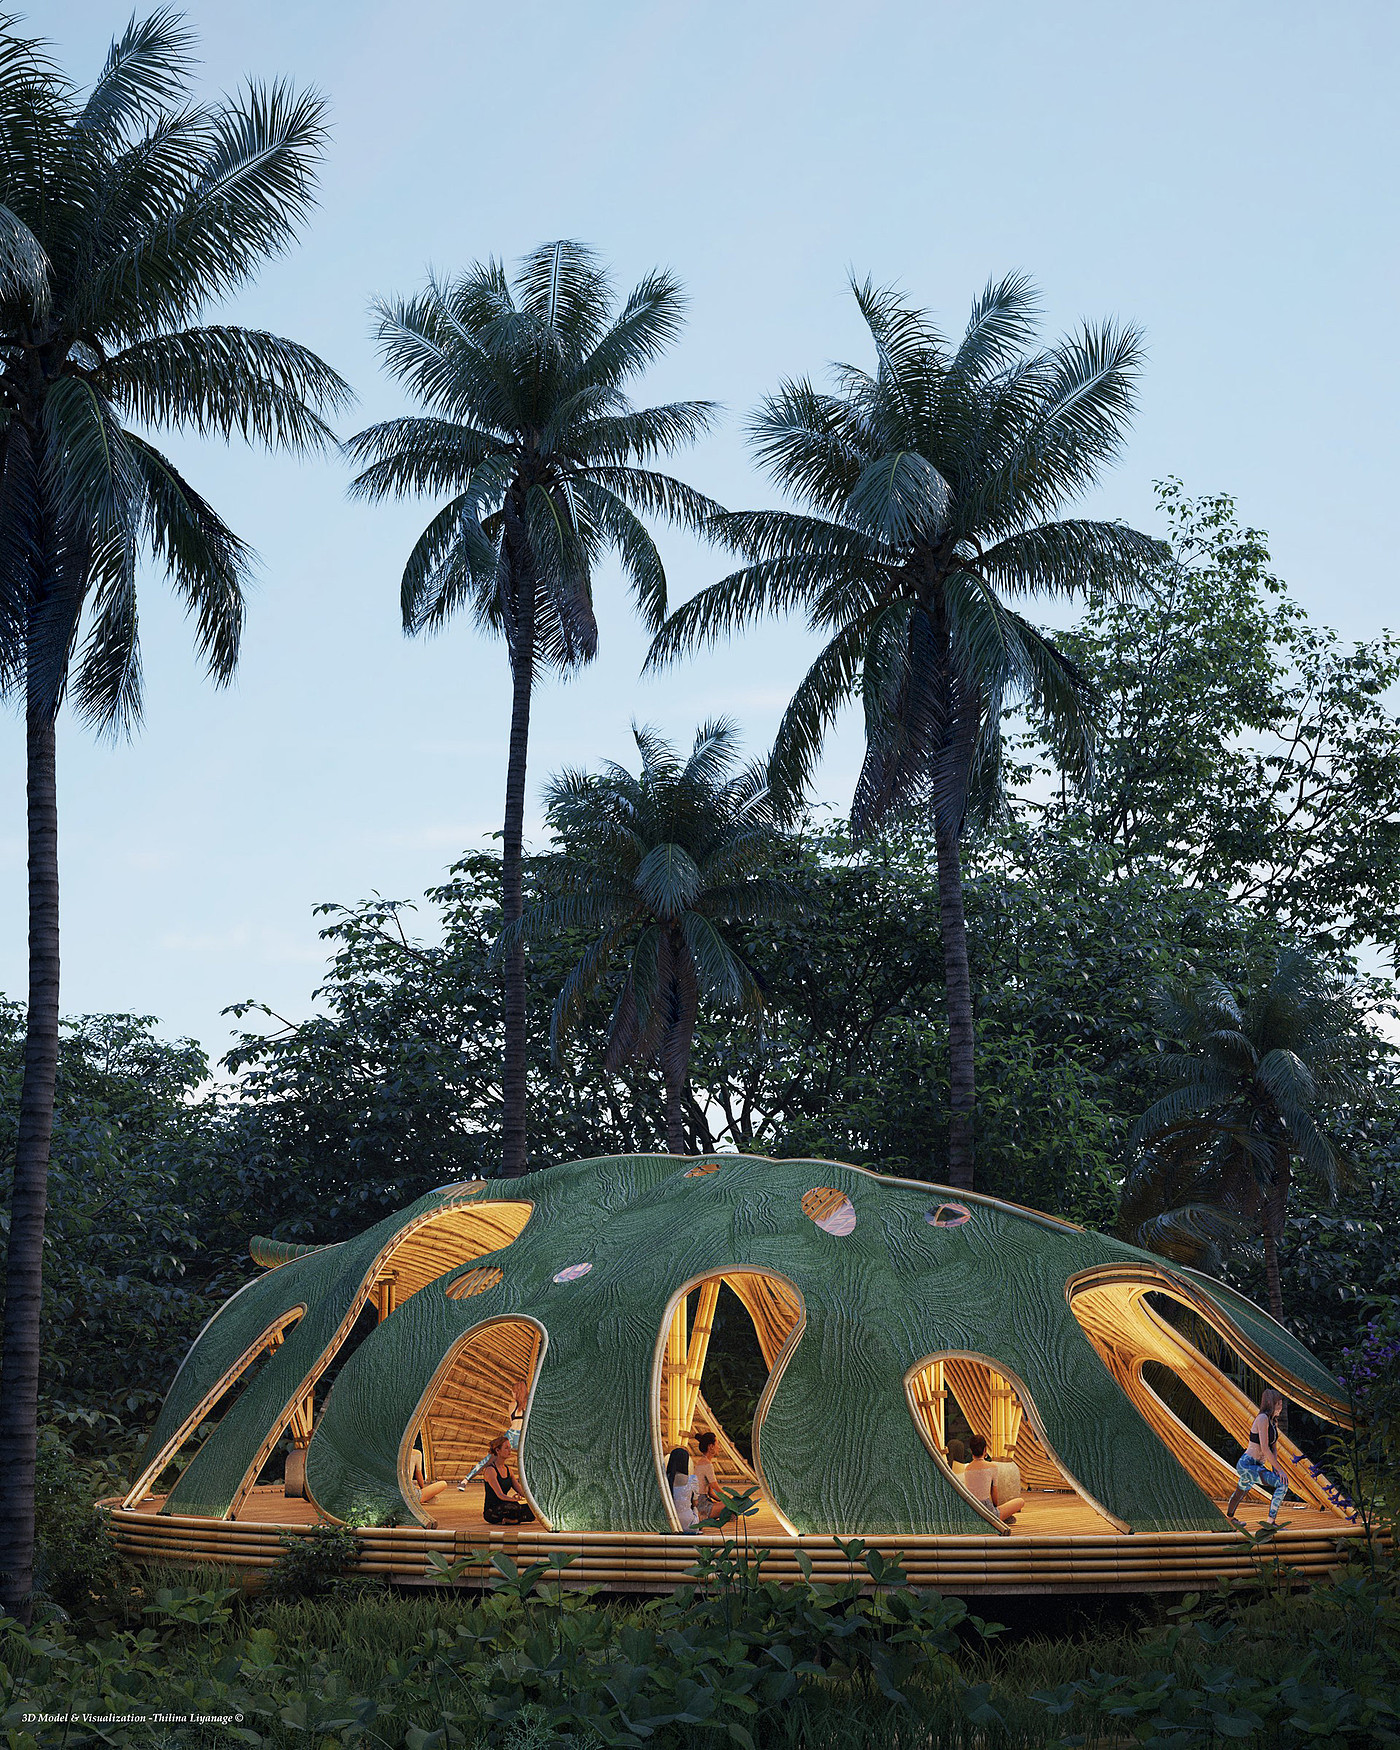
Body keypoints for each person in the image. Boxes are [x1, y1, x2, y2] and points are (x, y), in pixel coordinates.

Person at [1225, 1388, 1290, 1524]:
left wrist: (1275, 1469)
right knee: (1282, 1484)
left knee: (1240, 1492)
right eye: (1278, 1404)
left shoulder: (1273, 1422)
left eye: (1281, 1404)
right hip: (1247, 1465)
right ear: (1271, 1404)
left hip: (1256, 1466)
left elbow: (1273, 1449)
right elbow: (1265, 1448)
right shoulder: (1262, 1419)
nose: (1280, 1407)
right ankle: (1270, 1523)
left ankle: (1229, 1519)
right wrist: (1280, 1471)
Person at [963, 1434, 1025, 1524]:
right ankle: (999, 1517)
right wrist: (995, 1508)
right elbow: (994, 1494)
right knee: (1020, 1501)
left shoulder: (967, 1469)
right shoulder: (992, 1467)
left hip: (972, 1510)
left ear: (971, 1450)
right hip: (988, 1510)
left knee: (1002, 1511)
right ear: (985, 1450)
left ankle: (1001, 1517)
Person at [480, 1434, 535, 1524]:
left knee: (533, 1510)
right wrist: (515, 1500)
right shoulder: (490, 1470)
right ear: (498, 1450)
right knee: (513, 1507)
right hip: (493, 1511)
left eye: (510, 1448)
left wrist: (534, 1500)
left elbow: (522, 1491)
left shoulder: (508, 1470)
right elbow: (500, 1495)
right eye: (506, 1448)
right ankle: (514, 1519)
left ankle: (513, 1520)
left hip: (508, 1504)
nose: (510, 1451)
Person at [692, 1431, 729, 1526]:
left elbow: (711, 1492)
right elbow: (714, 1486)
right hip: (702, 1504)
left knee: (729, 1504)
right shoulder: (707, 1464)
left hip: (702, 1501)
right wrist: (727, 1498)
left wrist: (722, 1500)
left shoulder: (702, 1462)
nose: (719, 1447)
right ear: (711, 1446)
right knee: (735, 1504)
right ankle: (706, 1516)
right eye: (717, 1444)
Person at [667, 1447, 700, 1532]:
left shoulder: (664, 1480)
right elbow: (695, 1503)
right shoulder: (692, 1480)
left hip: (668, 1525)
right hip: (689, 1526)